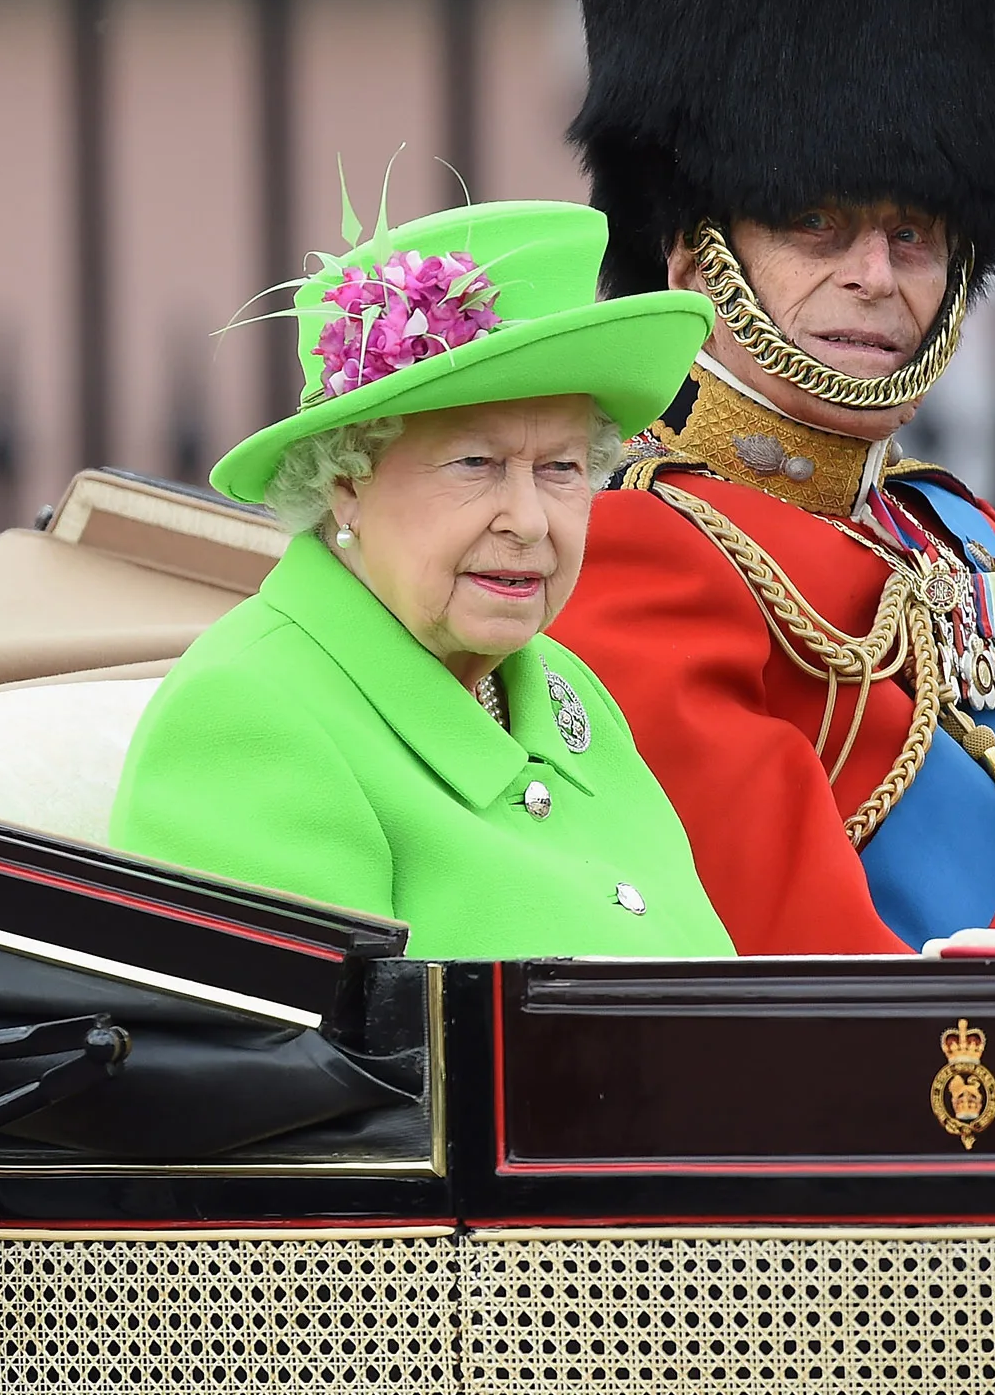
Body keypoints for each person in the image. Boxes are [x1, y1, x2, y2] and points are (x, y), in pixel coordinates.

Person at [547, 0, 995, 954]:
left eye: (914, 234)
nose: (878, 274)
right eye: (817, 224)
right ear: (694, 251)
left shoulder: (954, 536)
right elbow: (816, 980)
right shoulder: (647, 558)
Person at [109, 200, 734, 961]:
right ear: (348, 479)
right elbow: (304, 1074)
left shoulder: (566, 689)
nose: (530, 521)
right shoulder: (249, 715)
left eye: (561, 468)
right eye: (475, 464)